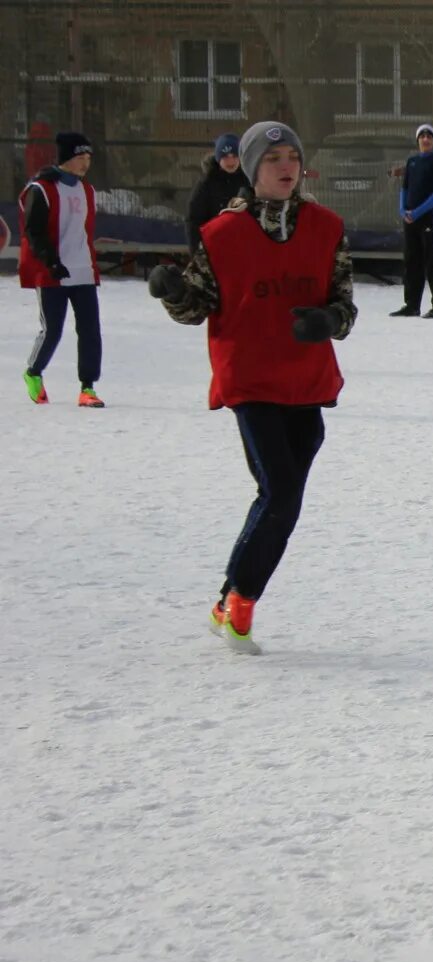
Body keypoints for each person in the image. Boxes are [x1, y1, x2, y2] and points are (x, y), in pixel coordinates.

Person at [147, 122, 356, 655]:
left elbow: (345, 307)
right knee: (280, 491)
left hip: (304, 382)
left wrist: (326, 321)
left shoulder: (327, 227)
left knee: (281, 502)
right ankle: (238, 607)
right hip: (251, 381)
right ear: (250, 168)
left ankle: (228, 600)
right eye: (273, 159)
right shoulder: (222, 234)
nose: (286, 166)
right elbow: (197, 306)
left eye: (293, 156)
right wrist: (172, 291)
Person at [19, 130, 104, 408]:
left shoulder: (87, 189)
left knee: (90, 330)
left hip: (82, 272)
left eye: (89, 156)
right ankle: (33, 372)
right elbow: (33, 231)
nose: (85, 162)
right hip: (52, 272)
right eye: (80, 156)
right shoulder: (42, 188)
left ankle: (87, 387)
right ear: (66, 157)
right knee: (52, 329)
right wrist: (51, 262)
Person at [391, 122, 433, 318]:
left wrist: (418, 212)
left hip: (429, 217)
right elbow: (405, 188)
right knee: (412, 261)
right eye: (422, 137)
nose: (425, 140)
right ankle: (412, 305)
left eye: (429, 137)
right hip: (410, 219)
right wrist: (403, 209)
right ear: (417, 141)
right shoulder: (412, 162)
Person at [186, 132, 248, 252]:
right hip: (215, 245)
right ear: (218, 158)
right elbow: (193, 219)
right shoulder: (207, 183)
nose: (231, 161)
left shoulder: (247, 180)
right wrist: (196, 253)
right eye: (225, 157)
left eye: (234, 156)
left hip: (243, 245)